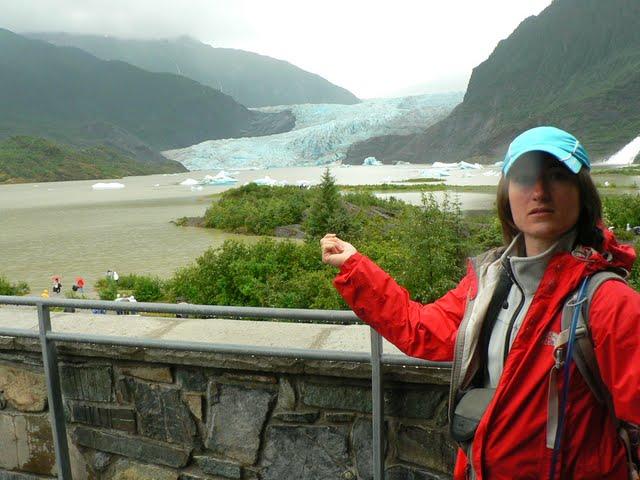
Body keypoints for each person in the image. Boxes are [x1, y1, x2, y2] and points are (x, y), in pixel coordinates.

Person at [321, 126, 640, 479]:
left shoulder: (608, 302)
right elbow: (421, 329)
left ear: (582, 193)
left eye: (557, 176)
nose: (539, 191)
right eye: (524, 178)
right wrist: (355, 268)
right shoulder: (488, 284)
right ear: (507, 196)